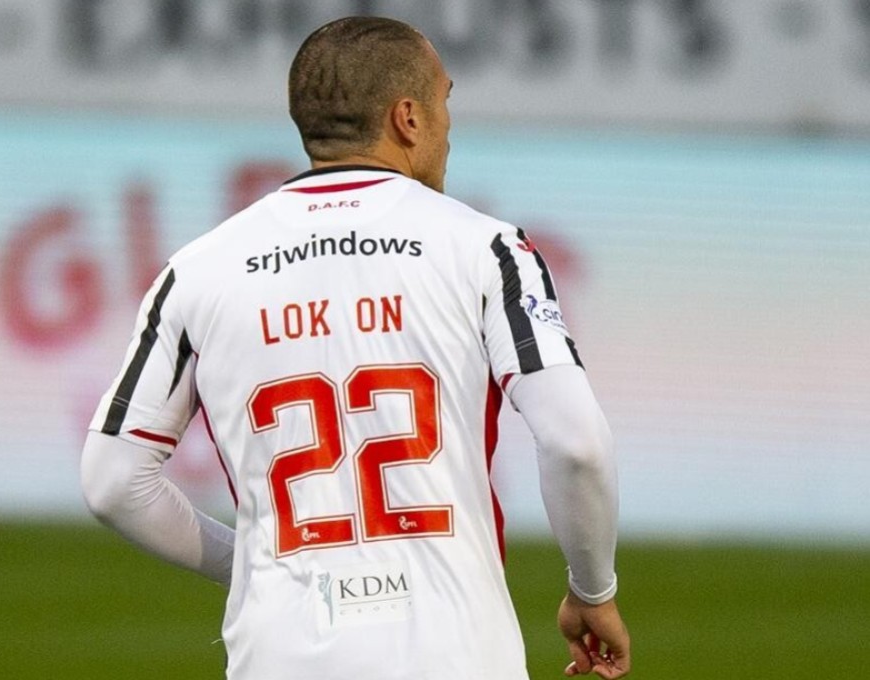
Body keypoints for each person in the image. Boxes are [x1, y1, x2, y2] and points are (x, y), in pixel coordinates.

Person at [81, 15, 630, 680]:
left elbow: (112, 482)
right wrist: (591, 589)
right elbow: (576, 442)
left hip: (279, 656)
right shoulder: (488, 250)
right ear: (408, 118)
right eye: (444, 100)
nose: (448, 125)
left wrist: (252, 566)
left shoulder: (197, 270)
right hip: (455, 654)